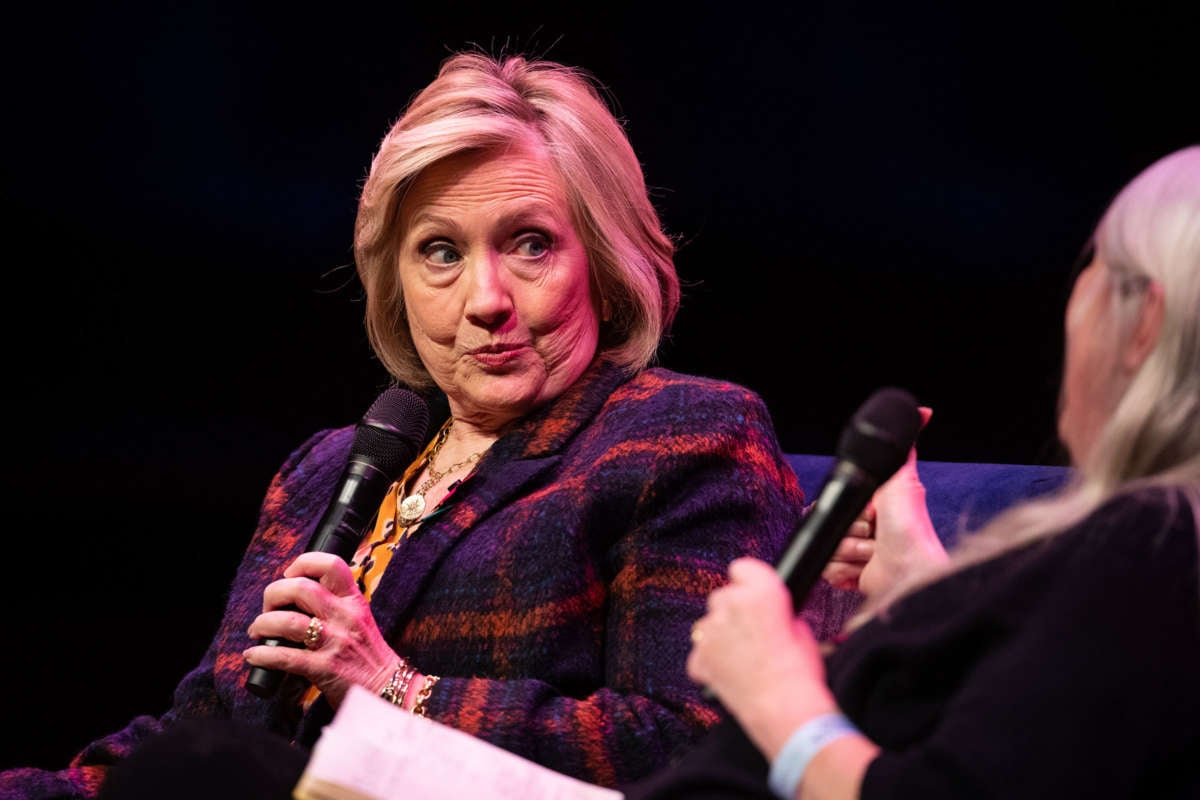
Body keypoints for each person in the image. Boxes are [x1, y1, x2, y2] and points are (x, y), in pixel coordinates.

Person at [0, 50, 865, 800]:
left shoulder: (679, 436)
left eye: (530, 243)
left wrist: (396, 691)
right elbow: (207, 735)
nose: (485, 301)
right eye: (441, 252)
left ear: (604, 262)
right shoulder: (329, 468)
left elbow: (698, 745)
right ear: (396, 281)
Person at [624, 144, 1200, 799]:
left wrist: (774, 691)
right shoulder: (1149, 560)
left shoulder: (1155, 546)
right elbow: (1028, 732)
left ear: (1145, 324)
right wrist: (915, 584)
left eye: (1092, 266)